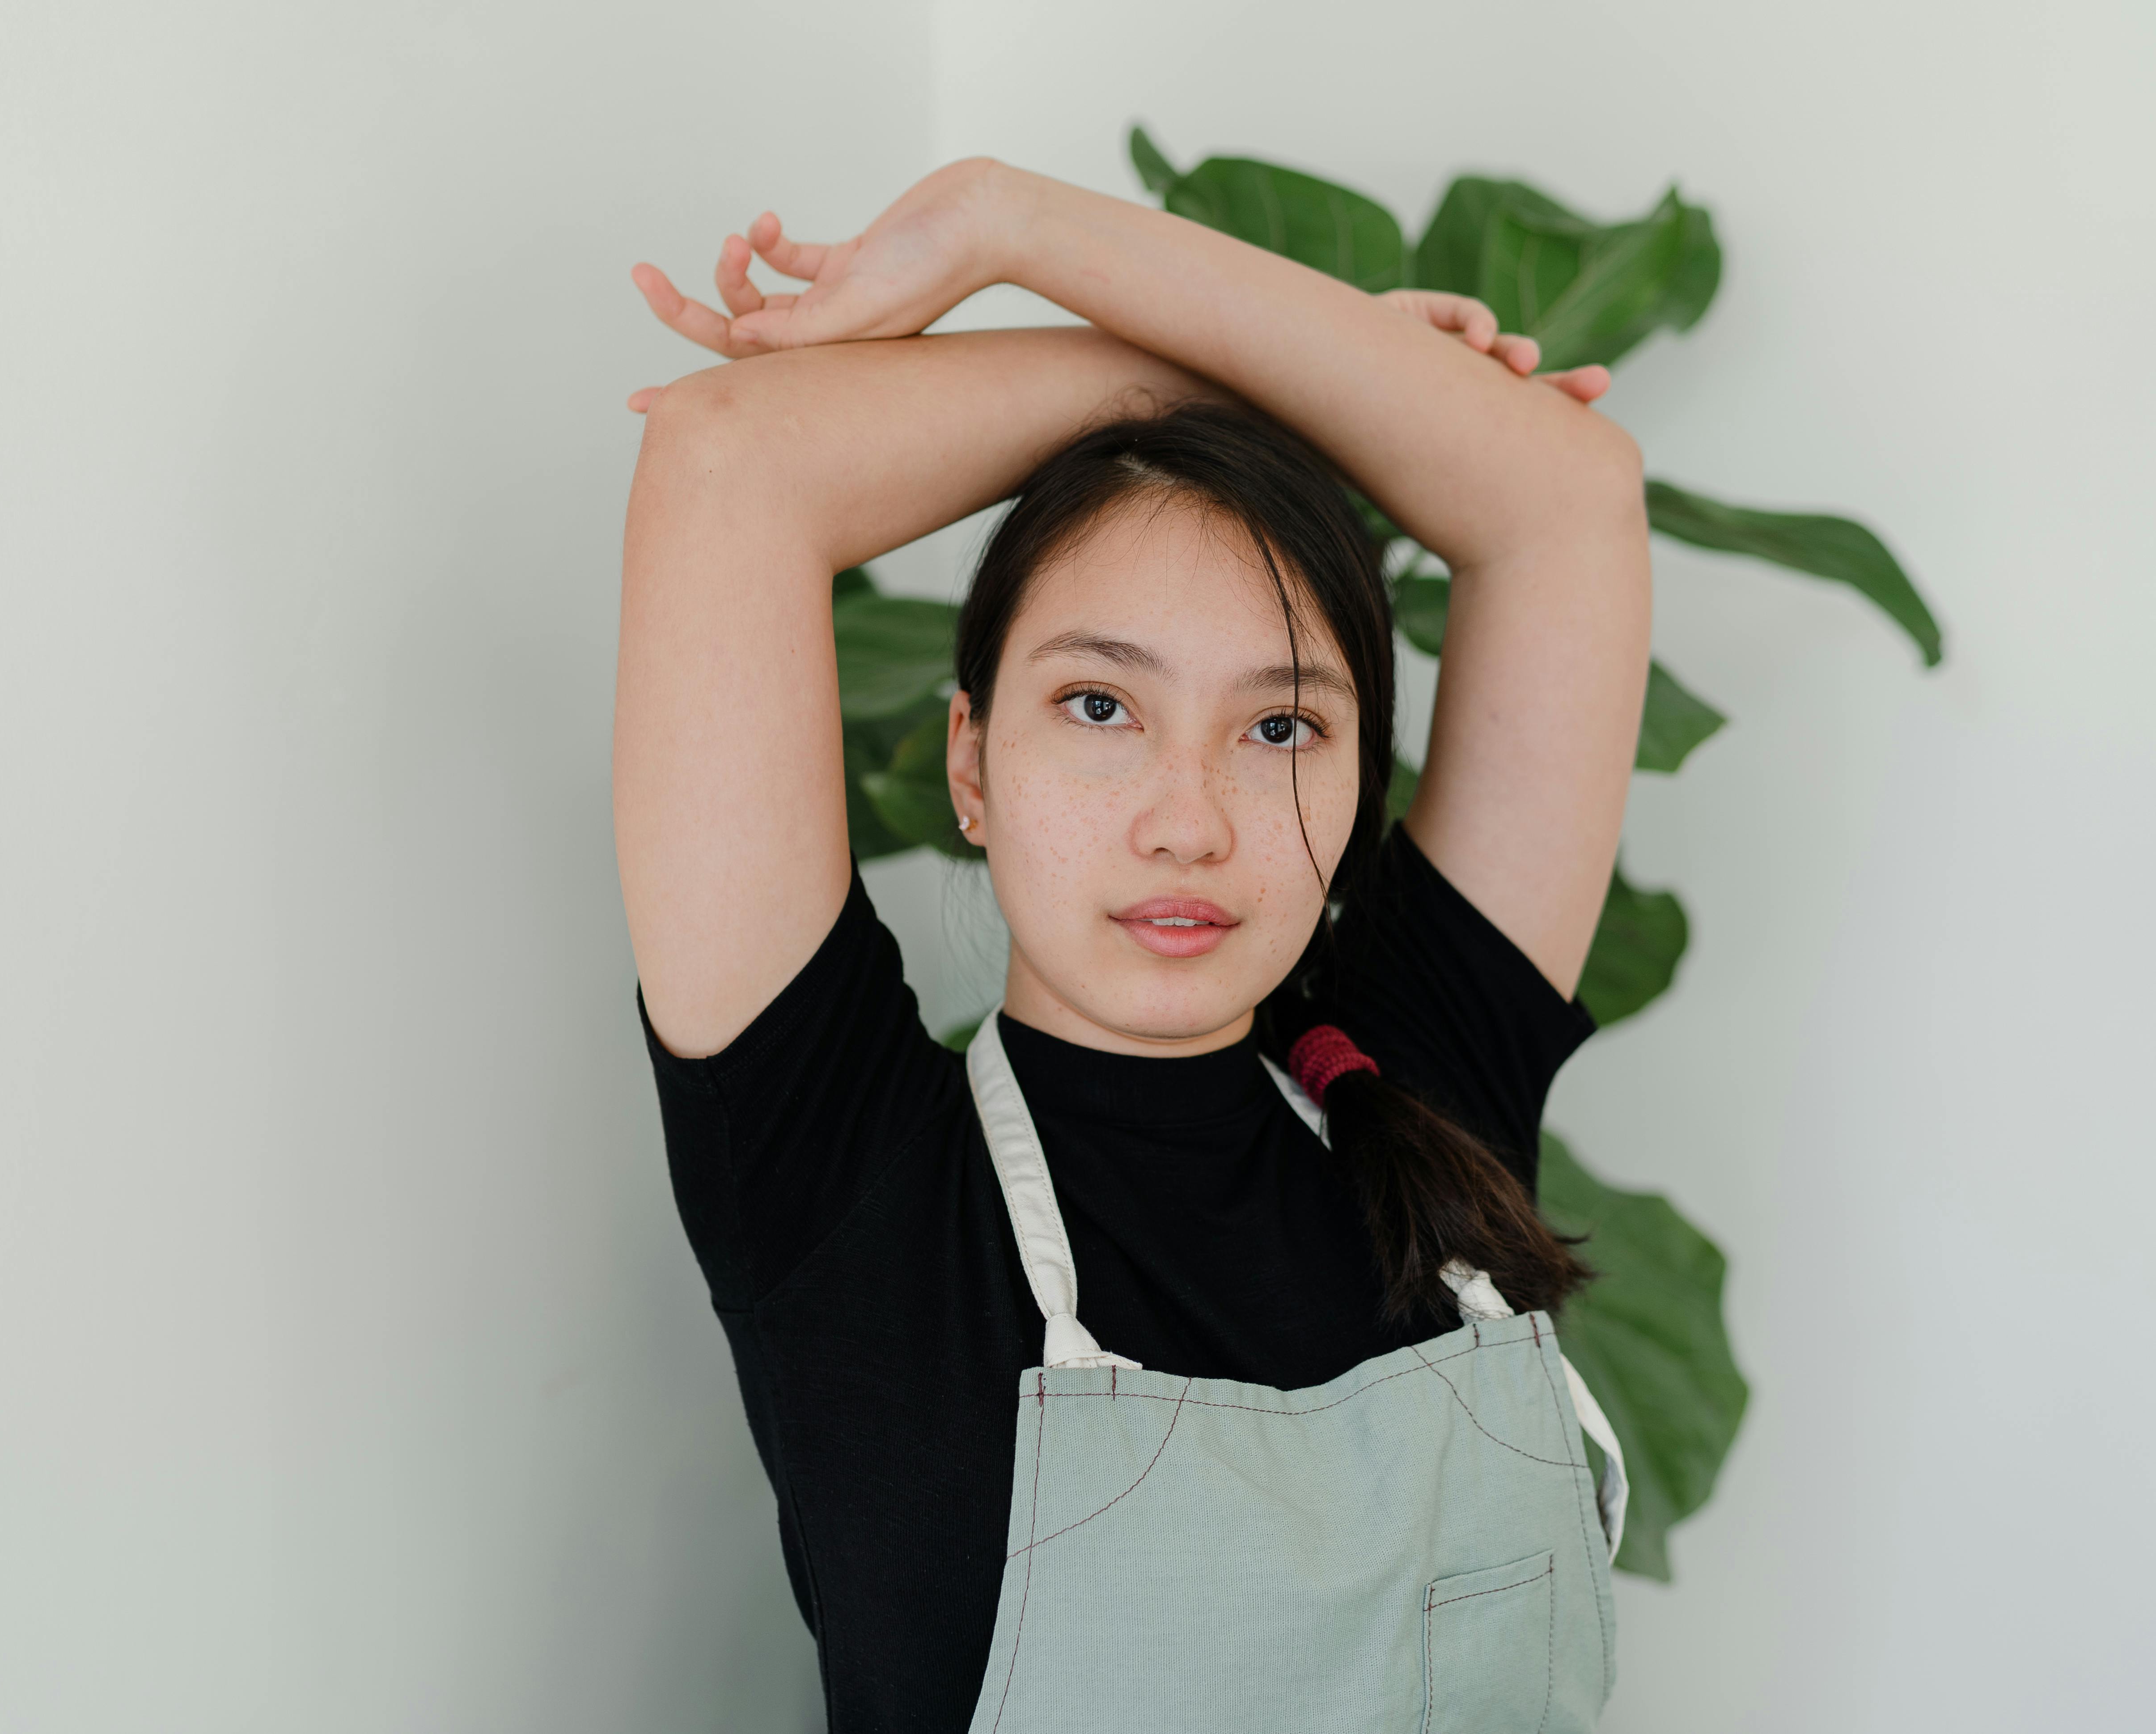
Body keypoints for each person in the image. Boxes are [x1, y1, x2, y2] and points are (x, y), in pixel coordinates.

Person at [616, 157, 1652, 1734]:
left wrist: (1021, 242)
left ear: (1361, 772)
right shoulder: (841, 1178)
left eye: (1280, 725)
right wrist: (1209, 364)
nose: (1192, 820)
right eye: (1100, 706)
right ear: (971, 761)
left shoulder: (1424, 1083)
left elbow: (1564, 499)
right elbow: (727, 463)